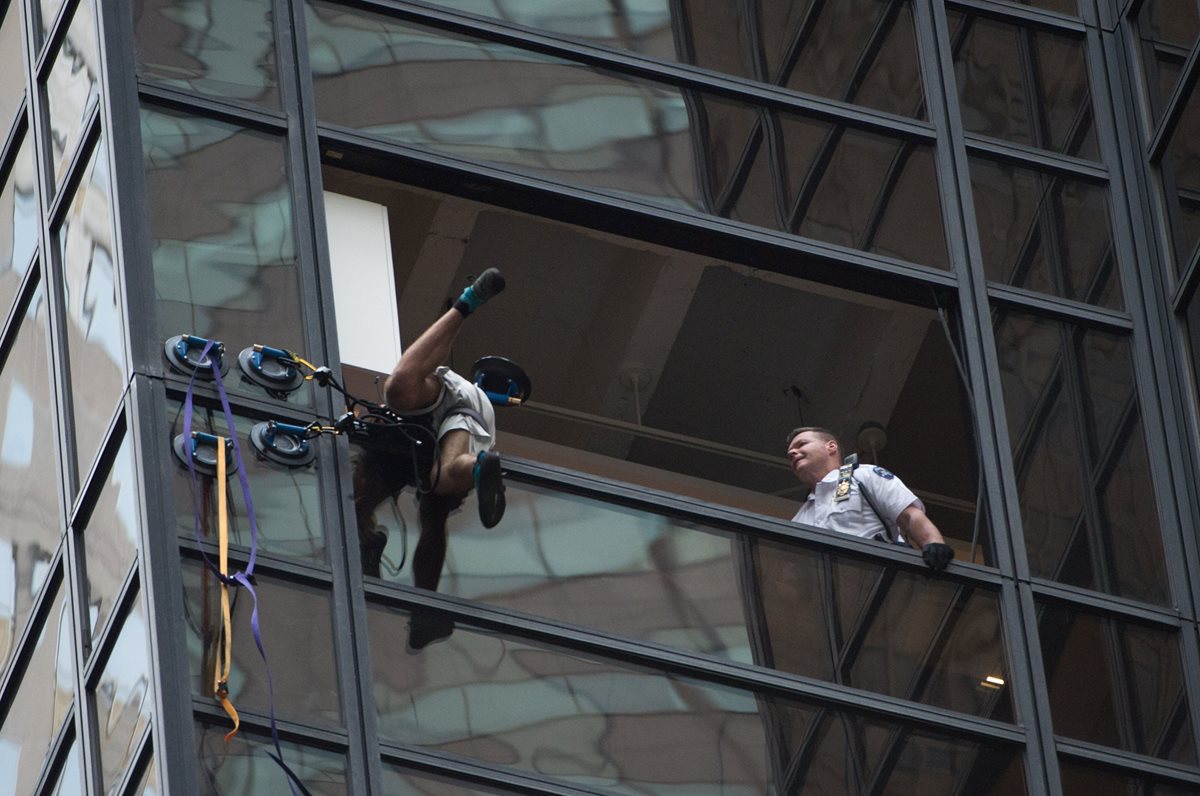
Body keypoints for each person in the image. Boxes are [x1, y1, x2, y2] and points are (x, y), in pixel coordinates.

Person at [355, 267, 509, 650]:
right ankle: (476, 468)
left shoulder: (457, 394)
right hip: (417, 439)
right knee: (413, 494)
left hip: (450, 410)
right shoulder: (374, 474)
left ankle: (468, 301)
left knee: (400, 389)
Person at [785, 426, 955, 571]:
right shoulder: (800, 517)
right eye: (789, 453)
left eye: (802, 444)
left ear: (831, 447)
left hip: (878, 577)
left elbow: (909, 515)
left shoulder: (861, 476)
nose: (793, 452)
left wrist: (934, 545)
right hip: (828, 595)